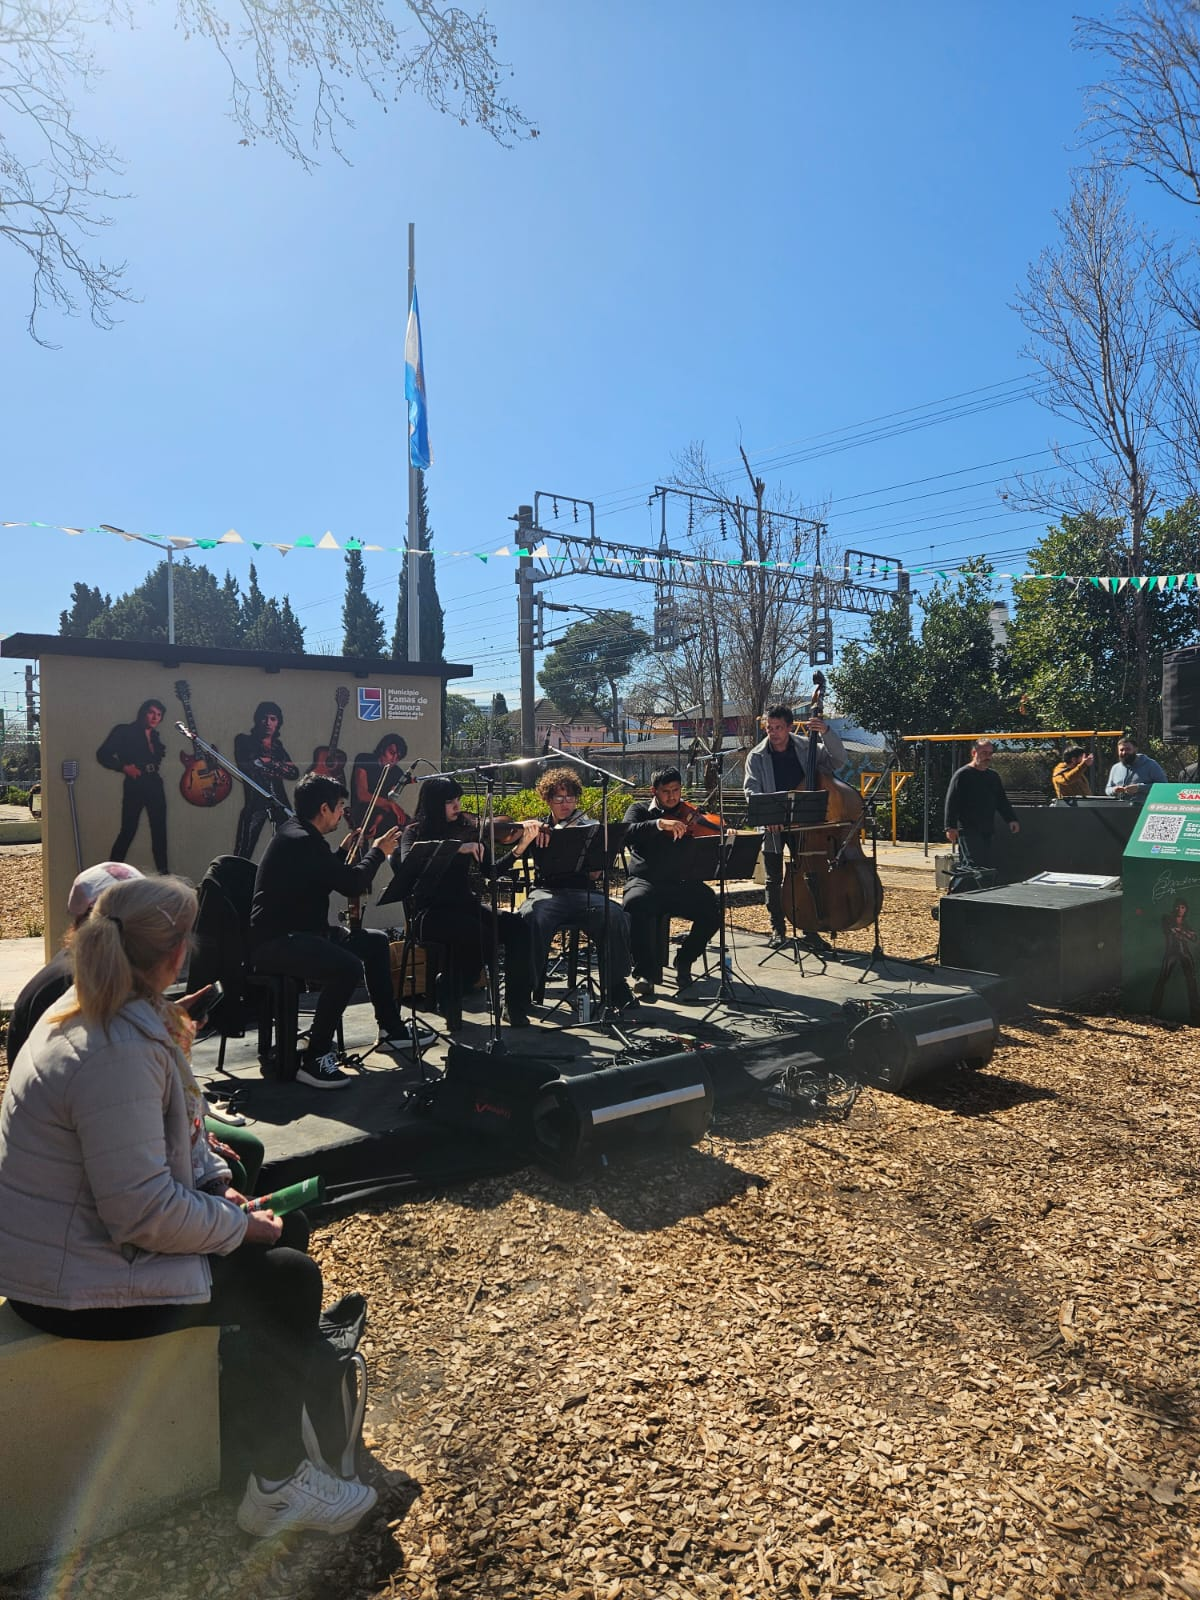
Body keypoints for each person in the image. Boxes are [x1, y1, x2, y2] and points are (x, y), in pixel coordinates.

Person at [0, 875, 375, 1538]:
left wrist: (215, 1191)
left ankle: (259, 1403)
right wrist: (235, 1226)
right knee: (290, 1277)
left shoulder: (97, 1012)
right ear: (175, 955)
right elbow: (140, 1216)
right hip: (69, 1285)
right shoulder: (114, 1048)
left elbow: (166, 1148)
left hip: (72, 1257)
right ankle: (277, 1486)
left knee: (287, 1237)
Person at [250, 773, 418, 1089]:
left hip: (303, 933)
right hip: (278, 942)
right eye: (340, 806)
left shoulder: (299, 836)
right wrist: (379, 851)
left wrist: (341, 853)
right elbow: (351, 883)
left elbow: (324, 876)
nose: (342, 813)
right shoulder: (301, 841)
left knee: (376, 942)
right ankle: (315, 1057)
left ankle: (391, 1030)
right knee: (347, 968)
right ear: (324, 808)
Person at [396, 778, 541, 1028]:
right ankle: (452, 986)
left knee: (517, 927)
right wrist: (457, 849)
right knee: (480, 935)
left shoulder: (466, 828)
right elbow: (409, 862)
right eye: (450, 802)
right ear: (433, 805)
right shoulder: (415, 832)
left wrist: (520, 848)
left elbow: (491, 871)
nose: (457, 806)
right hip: (430, 913)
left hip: (465, 906)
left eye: (458, 800)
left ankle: (514, 1005)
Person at [515, 767, 634, 1010]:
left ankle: (616, 985)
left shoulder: (589, 826)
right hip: (548, 893)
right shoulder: (539, 829)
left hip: (584, 893)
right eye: (559, 798)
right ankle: (526, 986)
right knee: (531, 916)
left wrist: (594, 855)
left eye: (570, 798)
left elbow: (595, 873)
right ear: (547, 799)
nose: (565, 804)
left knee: (615, 914)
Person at [743, 703, 848, 951]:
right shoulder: (756, 756)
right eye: (769, 728)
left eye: (779, 727)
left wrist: (827, 732)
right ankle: (777, 930)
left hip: (806, 824)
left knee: (809, 876)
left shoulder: (806, 746)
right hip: (773, 827)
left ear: (790, 727)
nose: (774, 732)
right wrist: (767, 817)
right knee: (773, 879)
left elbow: (838, 760)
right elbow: (751, 791)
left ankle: (809, 929)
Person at [622, 767, 721, 999]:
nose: (672, 796)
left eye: (676, 790)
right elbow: (627, 832)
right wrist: (659, 824)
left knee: (711, 909)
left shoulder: (690, 814)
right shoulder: (639, 810)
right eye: (666, 791)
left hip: (681, 883)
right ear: (653, 791)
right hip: (645, 881)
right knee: (635, 903)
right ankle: (645, 973)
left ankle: (684, 960)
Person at [95, 697, 169, 872]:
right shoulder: (124, 731)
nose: (155, 717)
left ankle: (164, 874)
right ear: (143, 712)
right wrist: (123, 767)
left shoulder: (155, 736)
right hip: (135, 783)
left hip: (154, 782)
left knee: (160, 831)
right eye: (151, 712)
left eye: (159, 715)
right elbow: (103, 754)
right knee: (128, 830)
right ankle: (111, 872)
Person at [234, 700, 299, 859]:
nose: (268, 723)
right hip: (255, 801)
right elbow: (249, 764)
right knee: (244, 850)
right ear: (257, 719)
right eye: (265, 718)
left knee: (288, 849)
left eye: (273, 719)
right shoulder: (244, 740)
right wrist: (277, 766)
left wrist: (270, 763)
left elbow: (293, 772)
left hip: (279, 802)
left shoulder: (278, 746)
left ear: (278, 723)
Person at [944, 738, 1019, 875]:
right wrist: (950, 827)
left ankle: (976, 893)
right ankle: (959, 894)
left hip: (987, 827)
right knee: (972, 865)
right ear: (974, 753)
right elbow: (952, 801)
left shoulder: (993, 776)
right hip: (968, 829)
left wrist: (1011, 819)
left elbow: (1001, 800)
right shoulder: (963, 774)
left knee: (983, 865)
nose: (987, 757)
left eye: (990, 753)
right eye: (984, 753)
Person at [350, 733, 410, 847]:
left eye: (398, 757)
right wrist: (390, 805)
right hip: (361, 809)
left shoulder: (398, 773)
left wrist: (379, 819)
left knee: (407, 825)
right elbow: (362, 795)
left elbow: (389, 802)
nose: (394, 759)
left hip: (382, 813)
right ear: (382, 748)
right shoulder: (364, 759)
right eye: (391, 753)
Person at [1150, 899, 1200, 1023]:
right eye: (1178, 907)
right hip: (1171, 953)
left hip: (1185, 953)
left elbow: (1194, 938)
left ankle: (1196, 1014)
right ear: (1174, 908)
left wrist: (1184, 933)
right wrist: (1186, 933)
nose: (1180, 909)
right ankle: (1153, 1011)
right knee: (1162, 980)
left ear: (1186, 909)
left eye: (1182, 907)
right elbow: (1174, 931)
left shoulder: (1185, 923)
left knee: (1192, 982)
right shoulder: (1167, 918)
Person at [1106, 735, 1167, 800]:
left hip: (1144, 807)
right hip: (1119, 807)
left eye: (1128, 749)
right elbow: (1108, 789)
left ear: (1135, 749)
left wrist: (1139, 788)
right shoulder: (1115, 768)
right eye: (1121, 750)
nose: (1124, 752)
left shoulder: (1151, 765)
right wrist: (1114, 790)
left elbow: (1163, 787)